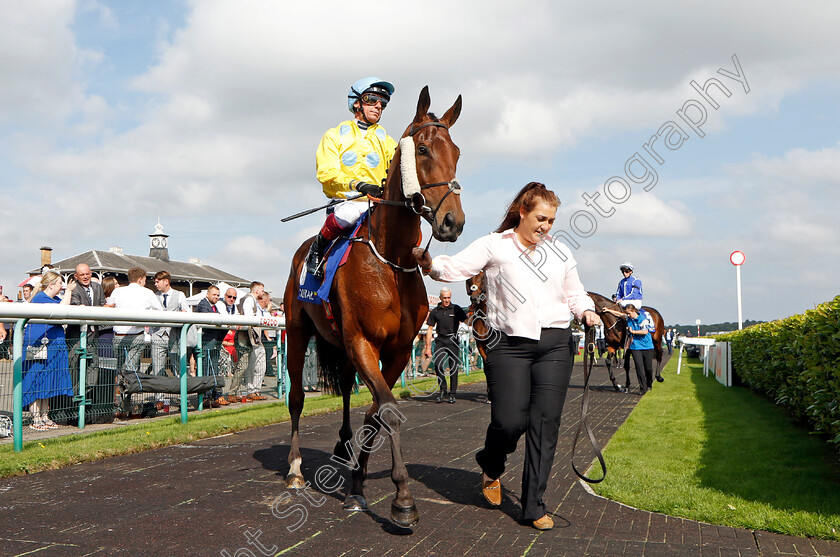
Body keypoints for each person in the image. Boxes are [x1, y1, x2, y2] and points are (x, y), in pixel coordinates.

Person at [413, 182, 601, 531]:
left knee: (545, 425)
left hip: (556, 344)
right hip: (509, 346)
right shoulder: (494, 245)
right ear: (522, 213)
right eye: (541, 218)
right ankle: (491, 463)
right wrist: (430, 264)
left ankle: (534, 507)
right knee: (509, 421)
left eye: (552, 220)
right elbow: (453, 268)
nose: (546, 226)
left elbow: (575, 294)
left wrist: (587, 312)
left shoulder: (560, 253)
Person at [305, 76, 398, 278]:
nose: (378, 106)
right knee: (348, 214)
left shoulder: (389, 141)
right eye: (372, 99)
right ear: (357, 102)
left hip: (379, 204)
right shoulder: (334, 135)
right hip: (348, 201)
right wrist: (358, 185)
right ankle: (316, 250)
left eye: (383, 102)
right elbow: (326, 172)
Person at [22, 271, 75, 430]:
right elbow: (61, 311)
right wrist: (70, 291)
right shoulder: (39, 298)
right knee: (35, 379)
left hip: (53, 346)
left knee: (47, 381)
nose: (62, 286)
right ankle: (36, 418)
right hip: (39, 346)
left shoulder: (56, 299)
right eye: (60, 283)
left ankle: (45, 415)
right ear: (51, 284)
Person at [110, 268, 163, 393]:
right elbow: (160, 311)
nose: (145, 282)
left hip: (118, 335)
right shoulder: (148, 292)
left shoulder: (117, 291)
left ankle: (120, 403)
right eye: (144, 280)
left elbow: (109, 307)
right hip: (136, 336)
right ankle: (127, 404)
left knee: (120, 371)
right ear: (140, 279)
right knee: (130, 372)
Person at [66, 264, 106, 412]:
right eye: (82, 275)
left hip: (93, 336)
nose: (85, 277)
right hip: (76, 336)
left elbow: (102, 305)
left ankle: (78, 399)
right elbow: (78, 307)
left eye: (87, 274)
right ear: (76, 276)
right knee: (74, 370)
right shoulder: (74, 290)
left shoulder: (97, 287)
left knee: (92, 374)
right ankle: (72, 404)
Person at [424, 288, 468, 403]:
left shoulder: (456, 308)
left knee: (453, 368)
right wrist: (428, 347)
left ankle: (452, 394)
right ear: (440, 298)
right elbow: (429, 329)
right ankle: (443, 390)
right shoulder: (435, 311)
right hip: (440, 340)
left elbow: (467, 321)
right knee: (438, 365)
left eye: (448, 297)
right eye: (444, 298)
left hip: (453, 340)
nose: (447, 300)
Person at [194, 285, 228, 407]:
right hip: (206, 343)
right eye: (214, 294)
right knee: (207, 369)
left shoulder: (215, 307)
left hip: (214, 343)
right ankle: (206, 397)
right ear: (207, 294)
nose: (216, 297)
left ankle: (215, 395)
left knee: (214, 369)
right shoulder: (203, 305)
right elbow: (209, 319)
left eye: (218, 295)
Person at [152, 271, 188, 379]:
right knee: (157, 367)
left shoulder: (180, 295)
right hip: (157, 335)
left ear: (166, 281)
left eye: (158, 282)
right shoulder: (154, 296)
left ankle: (181, 393)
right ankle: (160, 395)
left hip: (175, 336)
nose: (155, 284)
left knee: (178, 365)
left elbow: (186, 312)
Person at [624, 304, 656, 394]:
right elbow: (619, 314)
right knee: (639, 367)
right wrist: (608, 310)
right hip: (635, 347)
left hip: (647, 346)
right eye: (627, 314)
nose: (628, 315)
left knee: (648, 369)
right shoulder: (629, 318)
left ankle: (649, 383)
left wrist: (633, 331)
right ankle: (643, 388)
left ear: (634, 311)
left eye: (629, 313)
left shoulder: (643, 319)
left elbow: (645, 331)